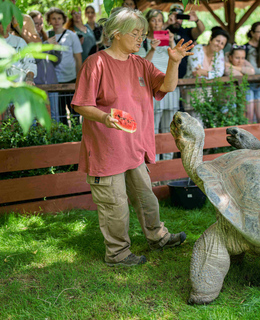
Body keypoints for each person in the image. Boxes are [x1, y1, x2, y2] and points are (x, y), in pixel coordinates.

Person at [71, 7, 193, 267]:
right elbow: (80, 105)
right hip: (106, 151)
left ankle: (158, 237)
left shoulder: (141, 64)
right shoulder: (97, 63)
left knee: (147, 199)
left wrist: (174, 61)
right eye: (135, 33)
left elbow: (167, 86)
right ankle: (117, 254)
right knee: (115, 207)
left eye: (143, 34)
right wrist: (105, 117)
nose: (141, 38)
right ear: (116, 34)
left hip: (134, 148)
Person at [136, 9, 178, 160]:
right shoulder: (143, 41)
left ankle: (167, 159)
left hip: (170, 86)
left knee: (170, 125)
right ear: (148, 23)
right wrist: (152, 49)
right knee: (153, 125)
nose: (157, 23)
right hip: (152, 87)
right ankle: (153, 160)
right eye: (153, 20)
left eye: (159, 20)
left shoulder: (169, 39)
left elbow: (176, 60)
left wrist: (172, 42)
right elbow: (140, 65)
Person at [45, 7, 83, 122]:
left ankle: (76, 136)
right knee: (60, 113)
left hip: (71, 78)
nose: (56, 21)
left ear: (63, 20)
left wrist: (79, 79)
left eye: (59, 18)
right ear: (49, 21)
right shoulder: (46, 35)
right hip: (54, 80)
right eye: (53, 18)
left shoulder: (71, 35)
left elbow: (78, 58)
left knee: (75, 112)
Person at [28, 10, 62, 122]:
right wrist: (46, 45)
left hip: (52, 83)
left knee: (55, 115)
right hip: (37, 85)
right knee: (38, 116)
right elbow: (34, 60)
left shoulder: (45, 37)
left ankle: (56, 138)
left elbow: (56, 61)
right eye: (35, 23)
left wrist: (57, 50)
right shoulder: (28, 39)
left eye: (40, 23)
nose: (38, 26)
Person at [164, 4, 205, 79]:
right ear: (169, 16)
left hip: (184, 76)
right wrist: (167, 23)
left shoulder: (186, 32)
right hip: (165, 73)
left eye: (180, 17)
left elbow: (201, 30)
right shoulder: (164, 31)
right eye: (175, 16)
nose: (177, 20)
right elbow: (153, 36)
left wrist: (197, 20)